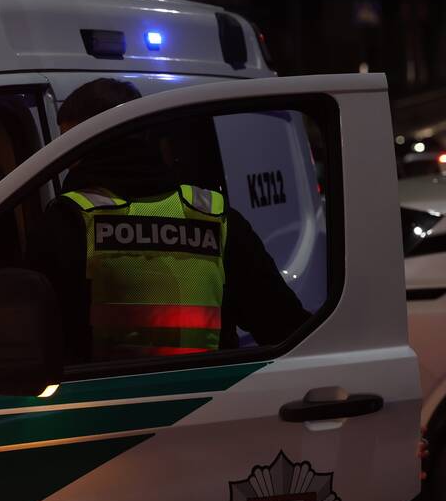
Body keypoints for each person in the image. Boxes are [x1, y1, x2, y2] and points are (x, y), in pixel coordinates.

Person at [36, 78, 308, 364]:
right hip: (214, 389)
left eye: (70, 148)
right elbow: (284, 326)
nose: (68, 163)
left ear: (88, 146)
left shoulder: (69, 222)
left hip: (110, 391)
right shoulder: (211, 215)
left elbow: (40, 344)